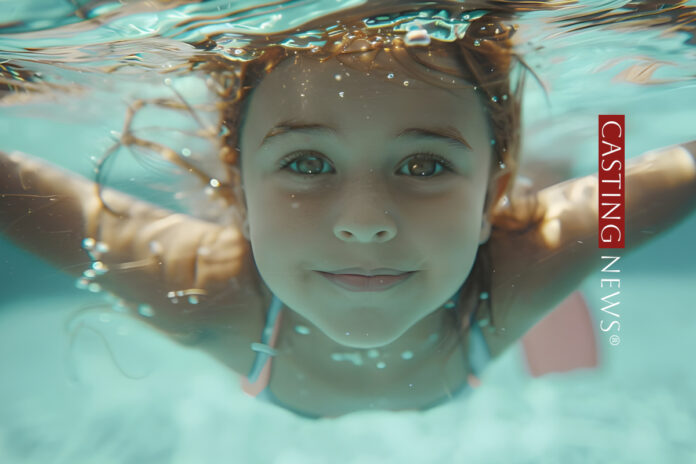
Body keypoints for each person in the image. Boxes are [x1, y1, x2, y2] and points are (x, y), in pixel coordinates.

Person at [1, 6, 695, 419]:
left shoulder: (526, 259)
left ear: (489, 200)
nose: (365, 222)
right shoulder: (202, 292)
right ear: (239, 193)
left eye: (424, 165)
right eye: (307, 162)